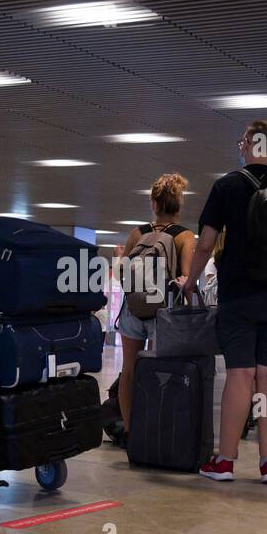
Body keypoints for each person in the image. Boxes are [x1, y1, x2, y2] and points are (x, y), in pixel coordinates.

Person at [183, 120, 267, 485]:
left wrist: (191, 281)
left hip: (240, 295)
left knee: (240, 374)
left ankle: (226, 461)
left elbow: (204, 243)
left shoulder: (227, 185)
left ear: (246, 144)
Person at [115, 173, 195, 437]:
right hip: (164, 311)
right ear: (179, 204)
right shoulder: (184, 236)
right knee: (160, 371)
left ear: (153, 204)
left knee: (129, 370)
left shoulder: (137, 233)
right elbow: (185, 279)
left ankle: (130, 431)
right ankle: (157, 431)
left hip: (133, 309)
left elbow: (123, 274)